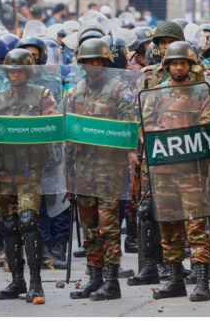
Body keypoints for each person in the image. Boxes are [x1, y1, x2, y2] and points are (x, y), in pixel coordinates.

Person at [0, 49, 58, 304]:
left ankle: (36, 282)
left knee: (28, 221)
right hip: (3, 170)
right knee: (9, 224)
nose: (15, 75)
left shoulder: (42, 95)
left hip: (30, 169)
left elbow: (52, 125)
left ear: (27, 73)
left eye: (20, 71)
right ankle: (17, 281)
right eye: (11, 71)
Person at [67, 39, 139, 301]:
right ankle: (94, 277)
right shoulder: (75, 93)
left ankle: (111, 281)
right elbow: (69, 134)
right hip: (83, 170)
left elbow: (130, 129)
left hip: (110, 170)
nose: (93, 66)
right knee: (88, 227)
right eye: (88, 61)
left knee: (108, 227)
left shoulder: (120, 90)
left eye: (98, 61)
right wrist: (68, 175)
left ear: (106, 62)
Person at [142, 42, 210, 302]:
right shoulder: (156, 93)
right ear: (167, 66)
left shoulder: (201, 92)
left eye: (183, 63)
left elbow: (208, 127)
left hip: (191, 171)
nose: (179, 67)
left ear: (190, 65)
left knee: (196, 225)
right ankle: (174, 279)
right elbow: (146, 126)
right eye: (174, 63)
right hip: (163, 171)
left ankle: (202, 281)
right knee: (168, 224)